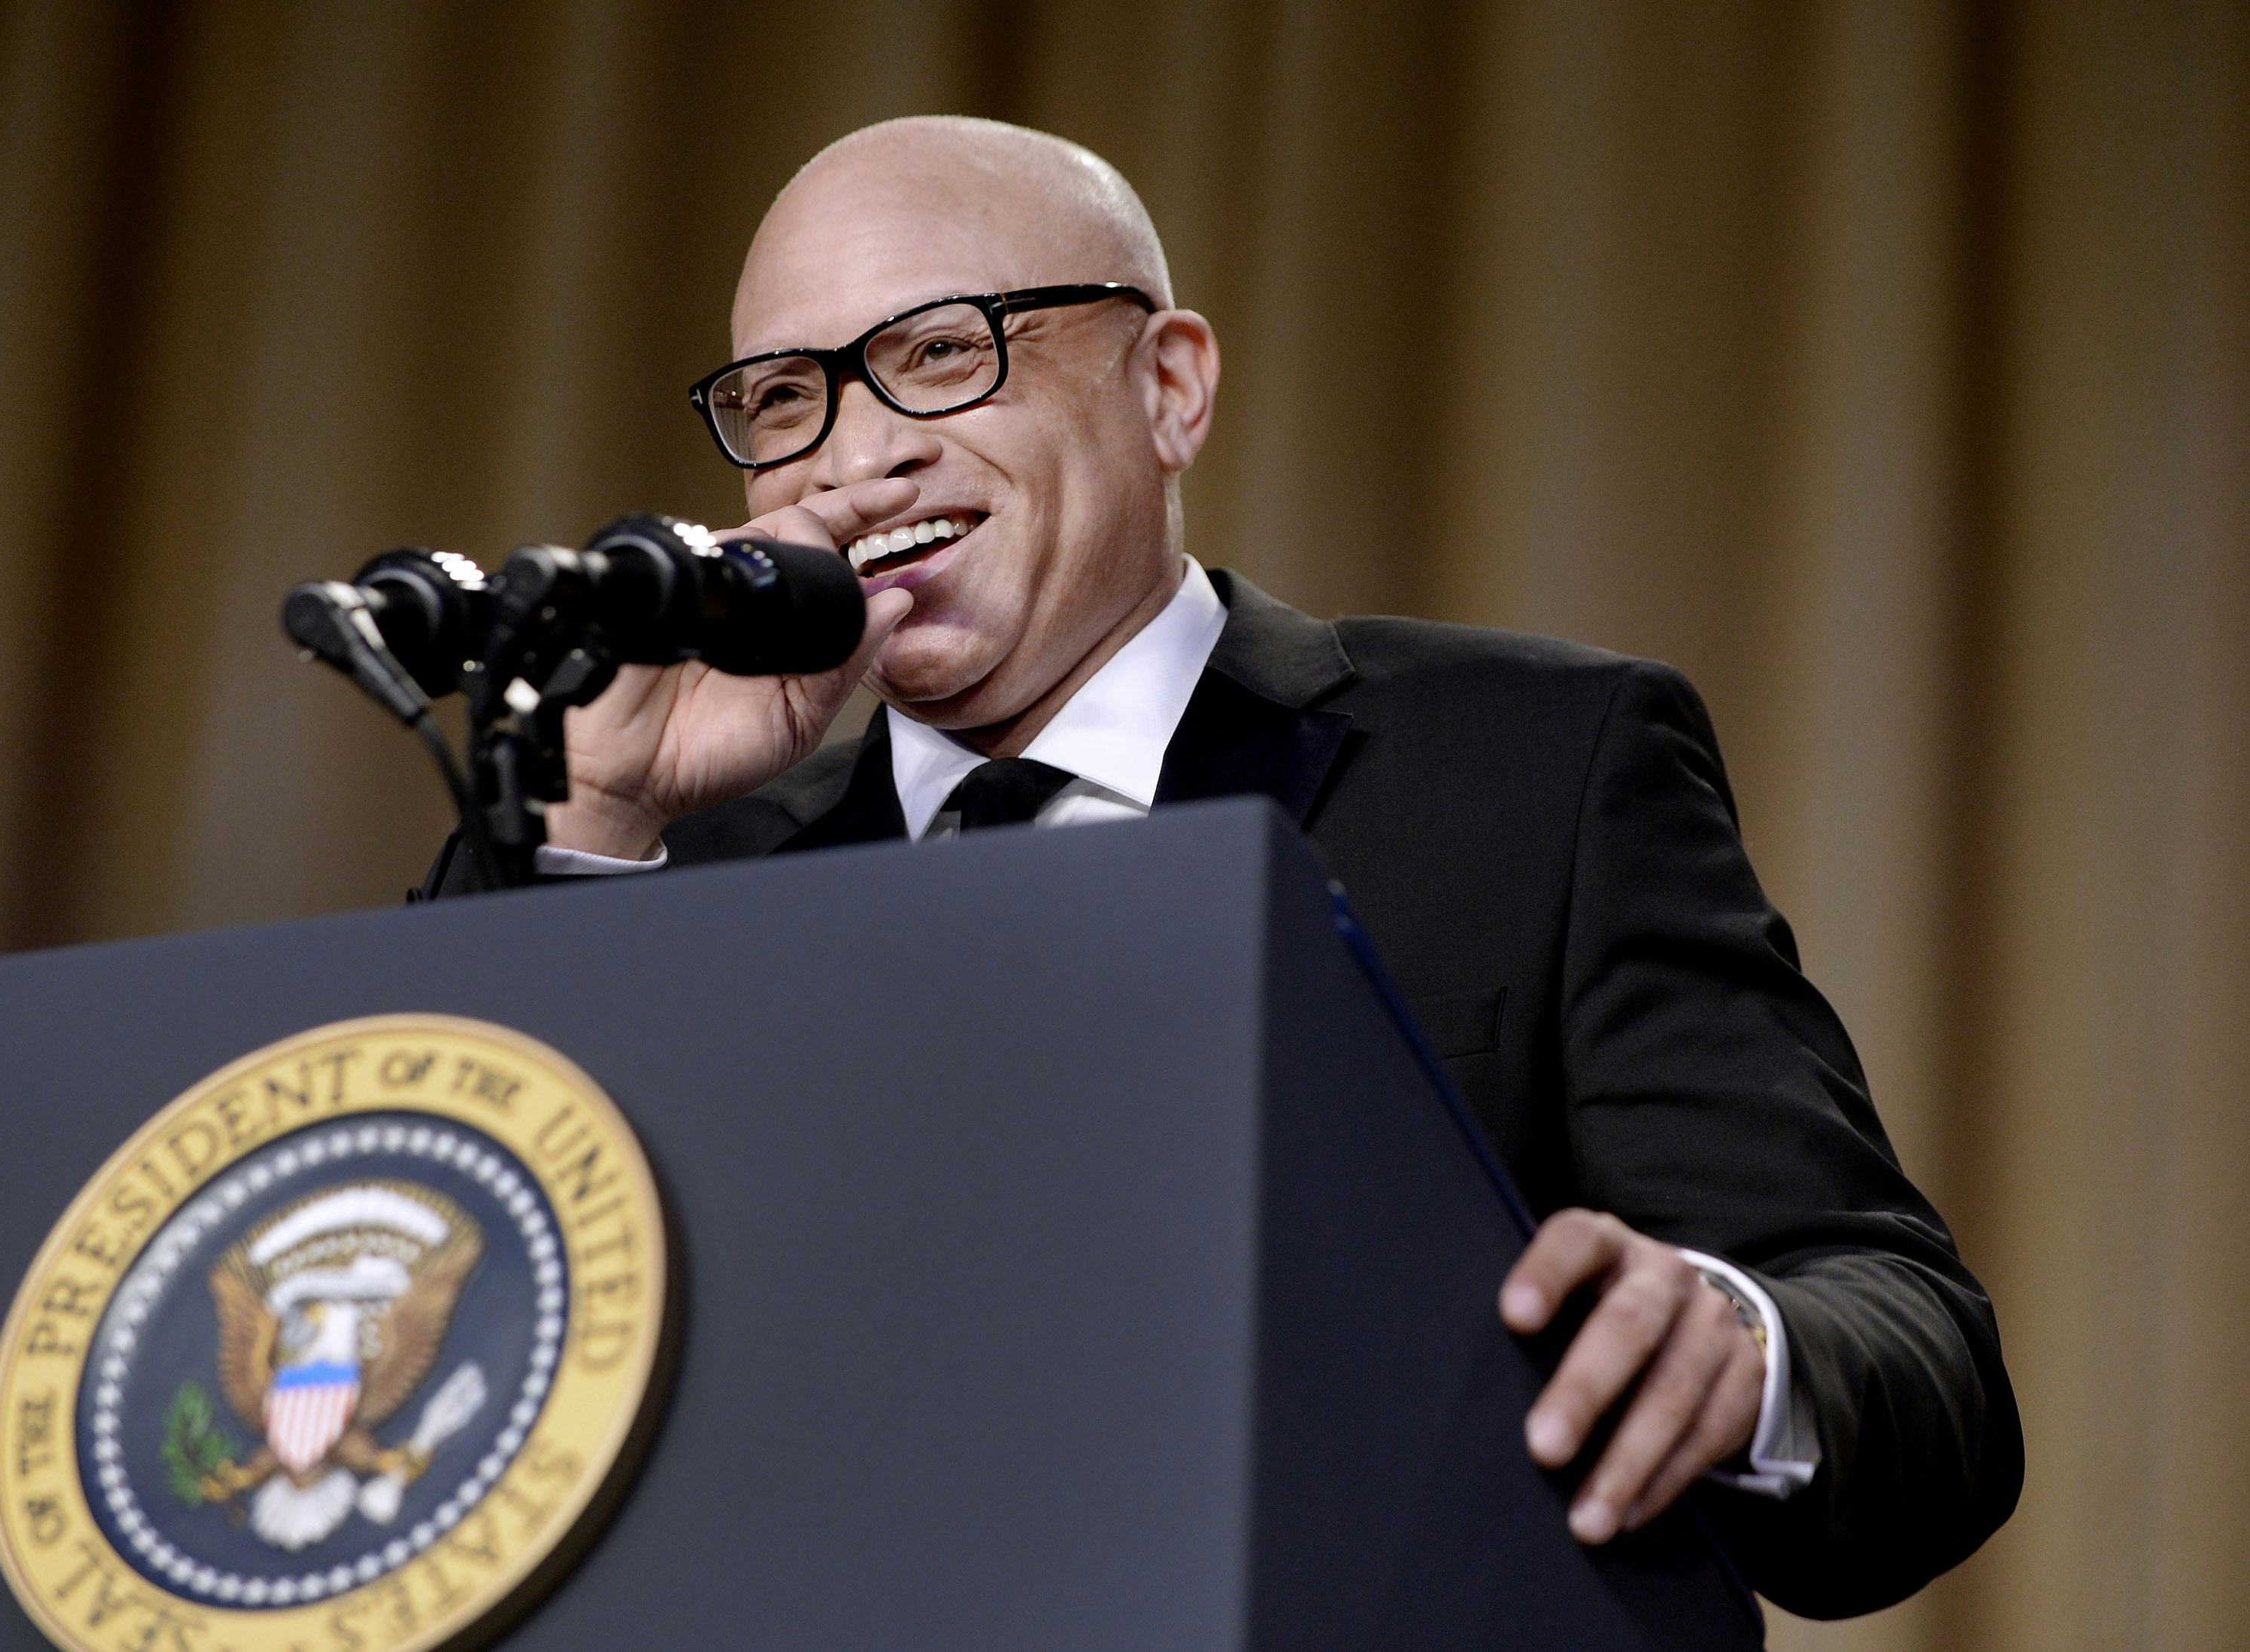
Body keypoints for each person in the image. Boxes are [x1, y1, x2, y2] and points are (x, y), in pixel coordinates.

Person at [427, 115, 2020, 1617]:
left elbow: (1907, 1342)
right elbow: (438, 1349)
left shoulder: (1532, 768)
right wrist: (591, 815)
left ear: (1170, 387)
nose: (853, 459)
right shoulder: (683, 869)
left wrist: (1736, 1349)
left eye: (939, 354)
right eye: (786, 399)